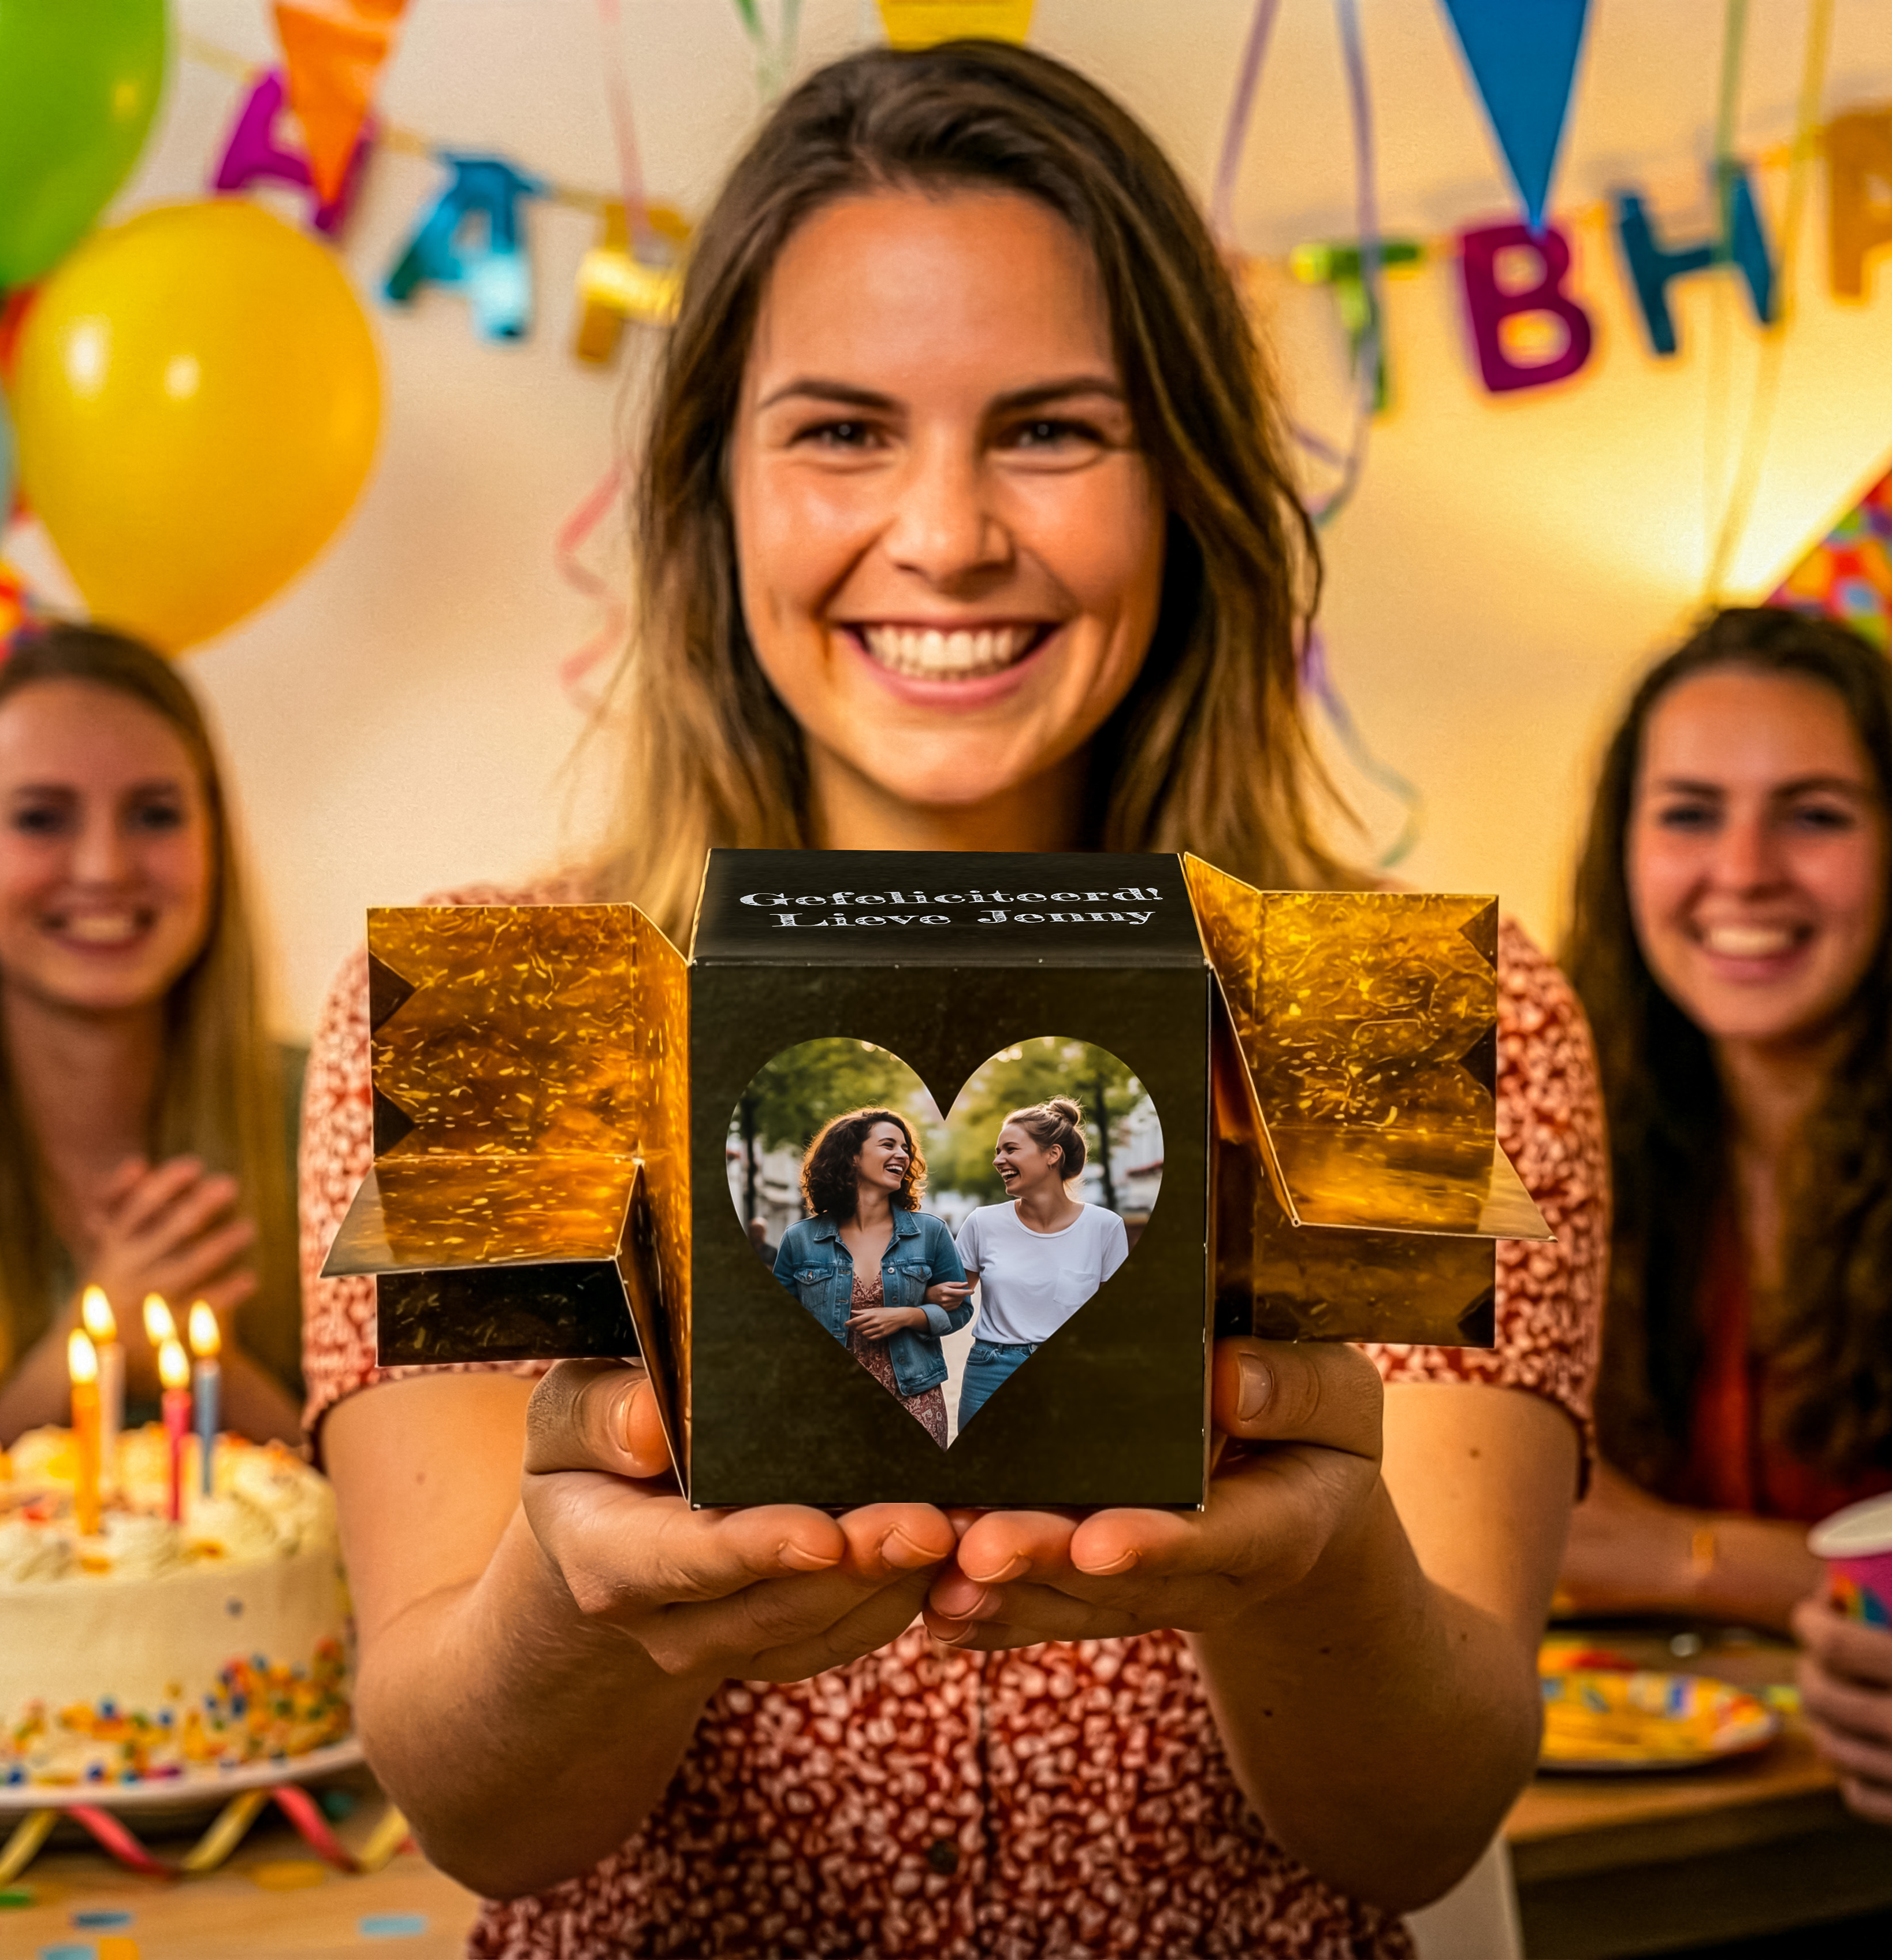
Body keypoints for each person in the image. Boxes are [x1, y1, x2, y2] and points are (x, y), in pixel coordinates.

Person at [303, 42, 1605, 1954]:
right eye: (840, 430)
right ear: (711, 492)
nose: (946, 534)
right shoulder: (513, 1020)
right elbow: (477, 1809)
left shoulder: (1392, 1018)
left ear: (1186, 483)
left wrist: (1312, 1577)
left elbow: (1416, 1826)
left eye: (1052, 430)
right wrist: (572, 1608)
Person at [1557, 606, 1892, 1832]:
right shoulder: (1567, 1133)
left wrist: (1672, 1553)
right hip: (1663, 1840)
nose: (1745, 870)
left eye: (1815, 814)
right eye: (1689, 812)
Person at [0, 623, 300, 1443]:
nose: (103, 868)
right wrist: (90, 1346)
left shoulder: (344, 1110)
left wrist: (196, 1358)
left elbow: (425, 1524)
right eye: (42, 819)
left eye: (154, 815)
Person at [772, 1107, 972, 1443]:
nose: (902, 1154)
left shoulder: (931, 1233)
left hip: (914, 1395)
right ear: (852, 1156)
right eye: (888, 1145)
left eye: (905, 1148)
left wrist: (911, 1315)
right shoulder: (800, 1239)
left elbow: (962, 1309)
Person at [954, 1097, 1128, 1427]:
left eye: (1010, 1149)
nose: (998, 1160)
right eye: (997, 1152)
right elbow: (949, 1299)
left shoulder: (1105, 1227)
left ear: (1052, 1155)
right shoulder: (982, 1223)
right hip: (991, 1372)